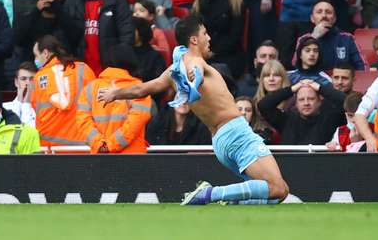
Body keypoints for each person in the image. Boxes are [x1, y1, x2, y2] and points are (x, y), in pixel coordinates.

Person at [101, 14, 290, 204]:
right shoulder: (194, 60)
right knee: (278, 188)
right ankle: (209, 194)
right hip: (236, 133)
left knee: (272, 196)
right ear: (194, 39)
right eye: (205, 33)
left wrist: (115, 94)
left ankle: (230, 202)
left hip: (221, 142)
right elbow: (196, 67)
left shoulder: (173, 71)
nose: (209, 38)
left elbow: (142, 88)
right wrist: (196, 78)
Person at [60, 0, 134, 76]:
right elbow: (64, 32)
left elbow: (126, 33)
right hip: (80, 66)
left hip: (109, 67)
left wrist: (120, 61)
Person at [76, 45, 152, 154]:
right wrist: (111, 145)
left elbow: (83, 121)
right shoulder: (139, 89)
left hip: (99, 157)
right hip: (132, 158)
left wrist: (100, 145)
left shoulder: (90, 89)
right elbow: (135, 123)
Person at [31, 35, 95, 147]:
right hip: (83, 144)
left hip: (51, 147)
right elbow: (96, 103)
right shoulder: (84, 69)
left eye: (36, 55)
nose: (35, 60)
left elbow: (35, 107)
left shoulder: (39, 78)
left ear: (45, 53)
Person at [191, 0, 246, 79]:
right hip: (202, 54)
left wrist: (211, 53)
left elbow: (235, 36)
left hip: (227, 56)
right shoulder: (199, 0)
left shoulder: (236, 0)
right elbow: (193, 31)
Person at [258, 77, 346, 145]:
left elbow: (346, 102)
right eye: (301, 99)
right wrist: (292, 89)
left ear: (319, 101)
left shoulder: (330, 118)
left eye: (311, 99)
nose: (306, 103)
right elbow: (264, 105)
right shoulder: (286, 120)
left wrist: (320, 88)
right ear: (296, 103)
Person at [301, 0, 367, 72]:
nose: (324, 15)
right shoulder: (304, 39)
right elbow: (297, 65)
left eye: (328, 12)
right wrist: (313, 38)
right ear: (312, 18)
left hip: (341, 81)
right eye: (319, 12)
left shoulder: (347, 38)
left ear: (334, 18)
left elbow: (363, 67)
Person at [146, 101, 212, 146]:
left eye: (187, 99)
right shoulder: (159, 122)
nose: (183, 102)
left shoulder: (201, 126)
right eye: (179, 97)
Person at [2, 62, 36, 126]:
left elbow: (29, 131)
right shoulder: (4, 107)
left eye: (32, 79)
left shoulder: (41, 109)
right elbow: (12, 128)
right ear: (16, 82)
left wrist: (27, 104)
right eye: (23, 79)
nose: (27, 83)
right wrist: (19, 102)